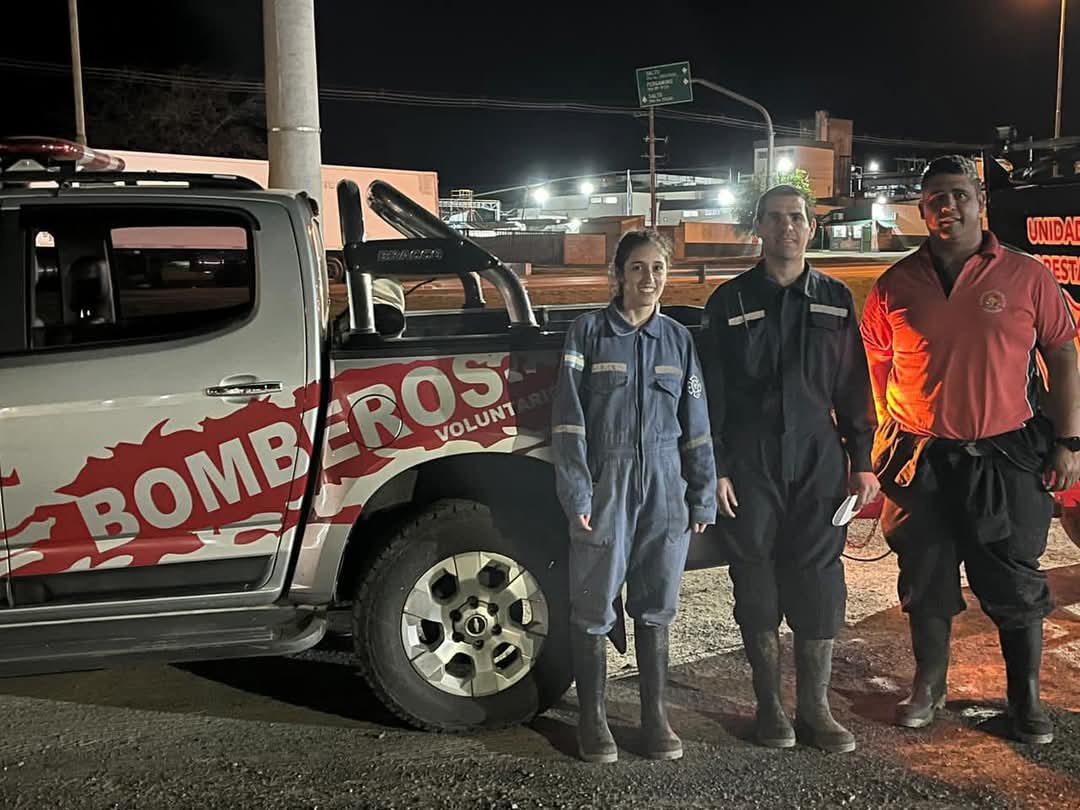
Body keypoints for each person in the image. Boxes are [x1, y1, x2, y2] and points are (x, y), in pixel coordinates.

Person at [860, 155, 1080, 745]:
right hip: (920, 459)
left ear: (980, 202)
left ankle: (1025, 701)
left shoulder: (1028, 275)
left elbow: (1062, 353)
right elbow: (877, 359)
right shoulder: (895, 284)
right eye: (936, 197)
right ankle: (929, 685)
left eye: (959, 194)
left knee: (1013, 579)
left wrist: (1068, 442)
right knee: (924, 575)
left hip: (1004, 457)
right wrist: (886, 428)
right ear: (922, 208)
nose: (947, 206)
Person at [703, 185, 879, 753]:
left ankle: (815, 710)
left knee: (819, 577)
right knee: (754, 577)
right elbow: (711, 393)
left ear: (810, 228)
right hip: (749, 460)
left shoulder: (834, 298)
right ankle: (770, 708)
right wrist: (717, 466)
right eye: (776, 218)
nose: (787, 227)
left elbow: (853, 384)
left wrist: (862, 461)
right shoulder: (728, 301)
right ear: (758, 227)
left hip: (818, 456)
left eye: (797, 218)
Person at [551, 229, 717, 763]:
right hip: (608, 482)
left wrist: (702, 493)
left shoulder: (678, 340)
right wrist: (578, 490)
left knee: (657, 604)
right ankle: (594, 720)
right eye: (638, 268)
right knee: (593, 603)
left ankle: (654, 718)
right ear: (618, 274)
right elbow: (568, 421)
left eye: (658, 268)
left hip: (666, 487)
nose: (649, 278)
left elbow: (696, 423)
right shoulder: (588, 333)